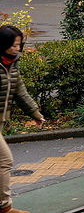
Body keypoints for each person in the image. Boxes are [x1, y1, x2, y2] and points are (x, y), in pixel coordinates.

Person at [0, 25, 44, 213]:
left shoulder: (12, 64)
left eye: (19, 44)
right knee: (4, 160)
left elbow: (19, 91)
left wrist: (35, 113)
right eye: (14, 45)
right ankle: (4, 207)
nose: (18, 48)